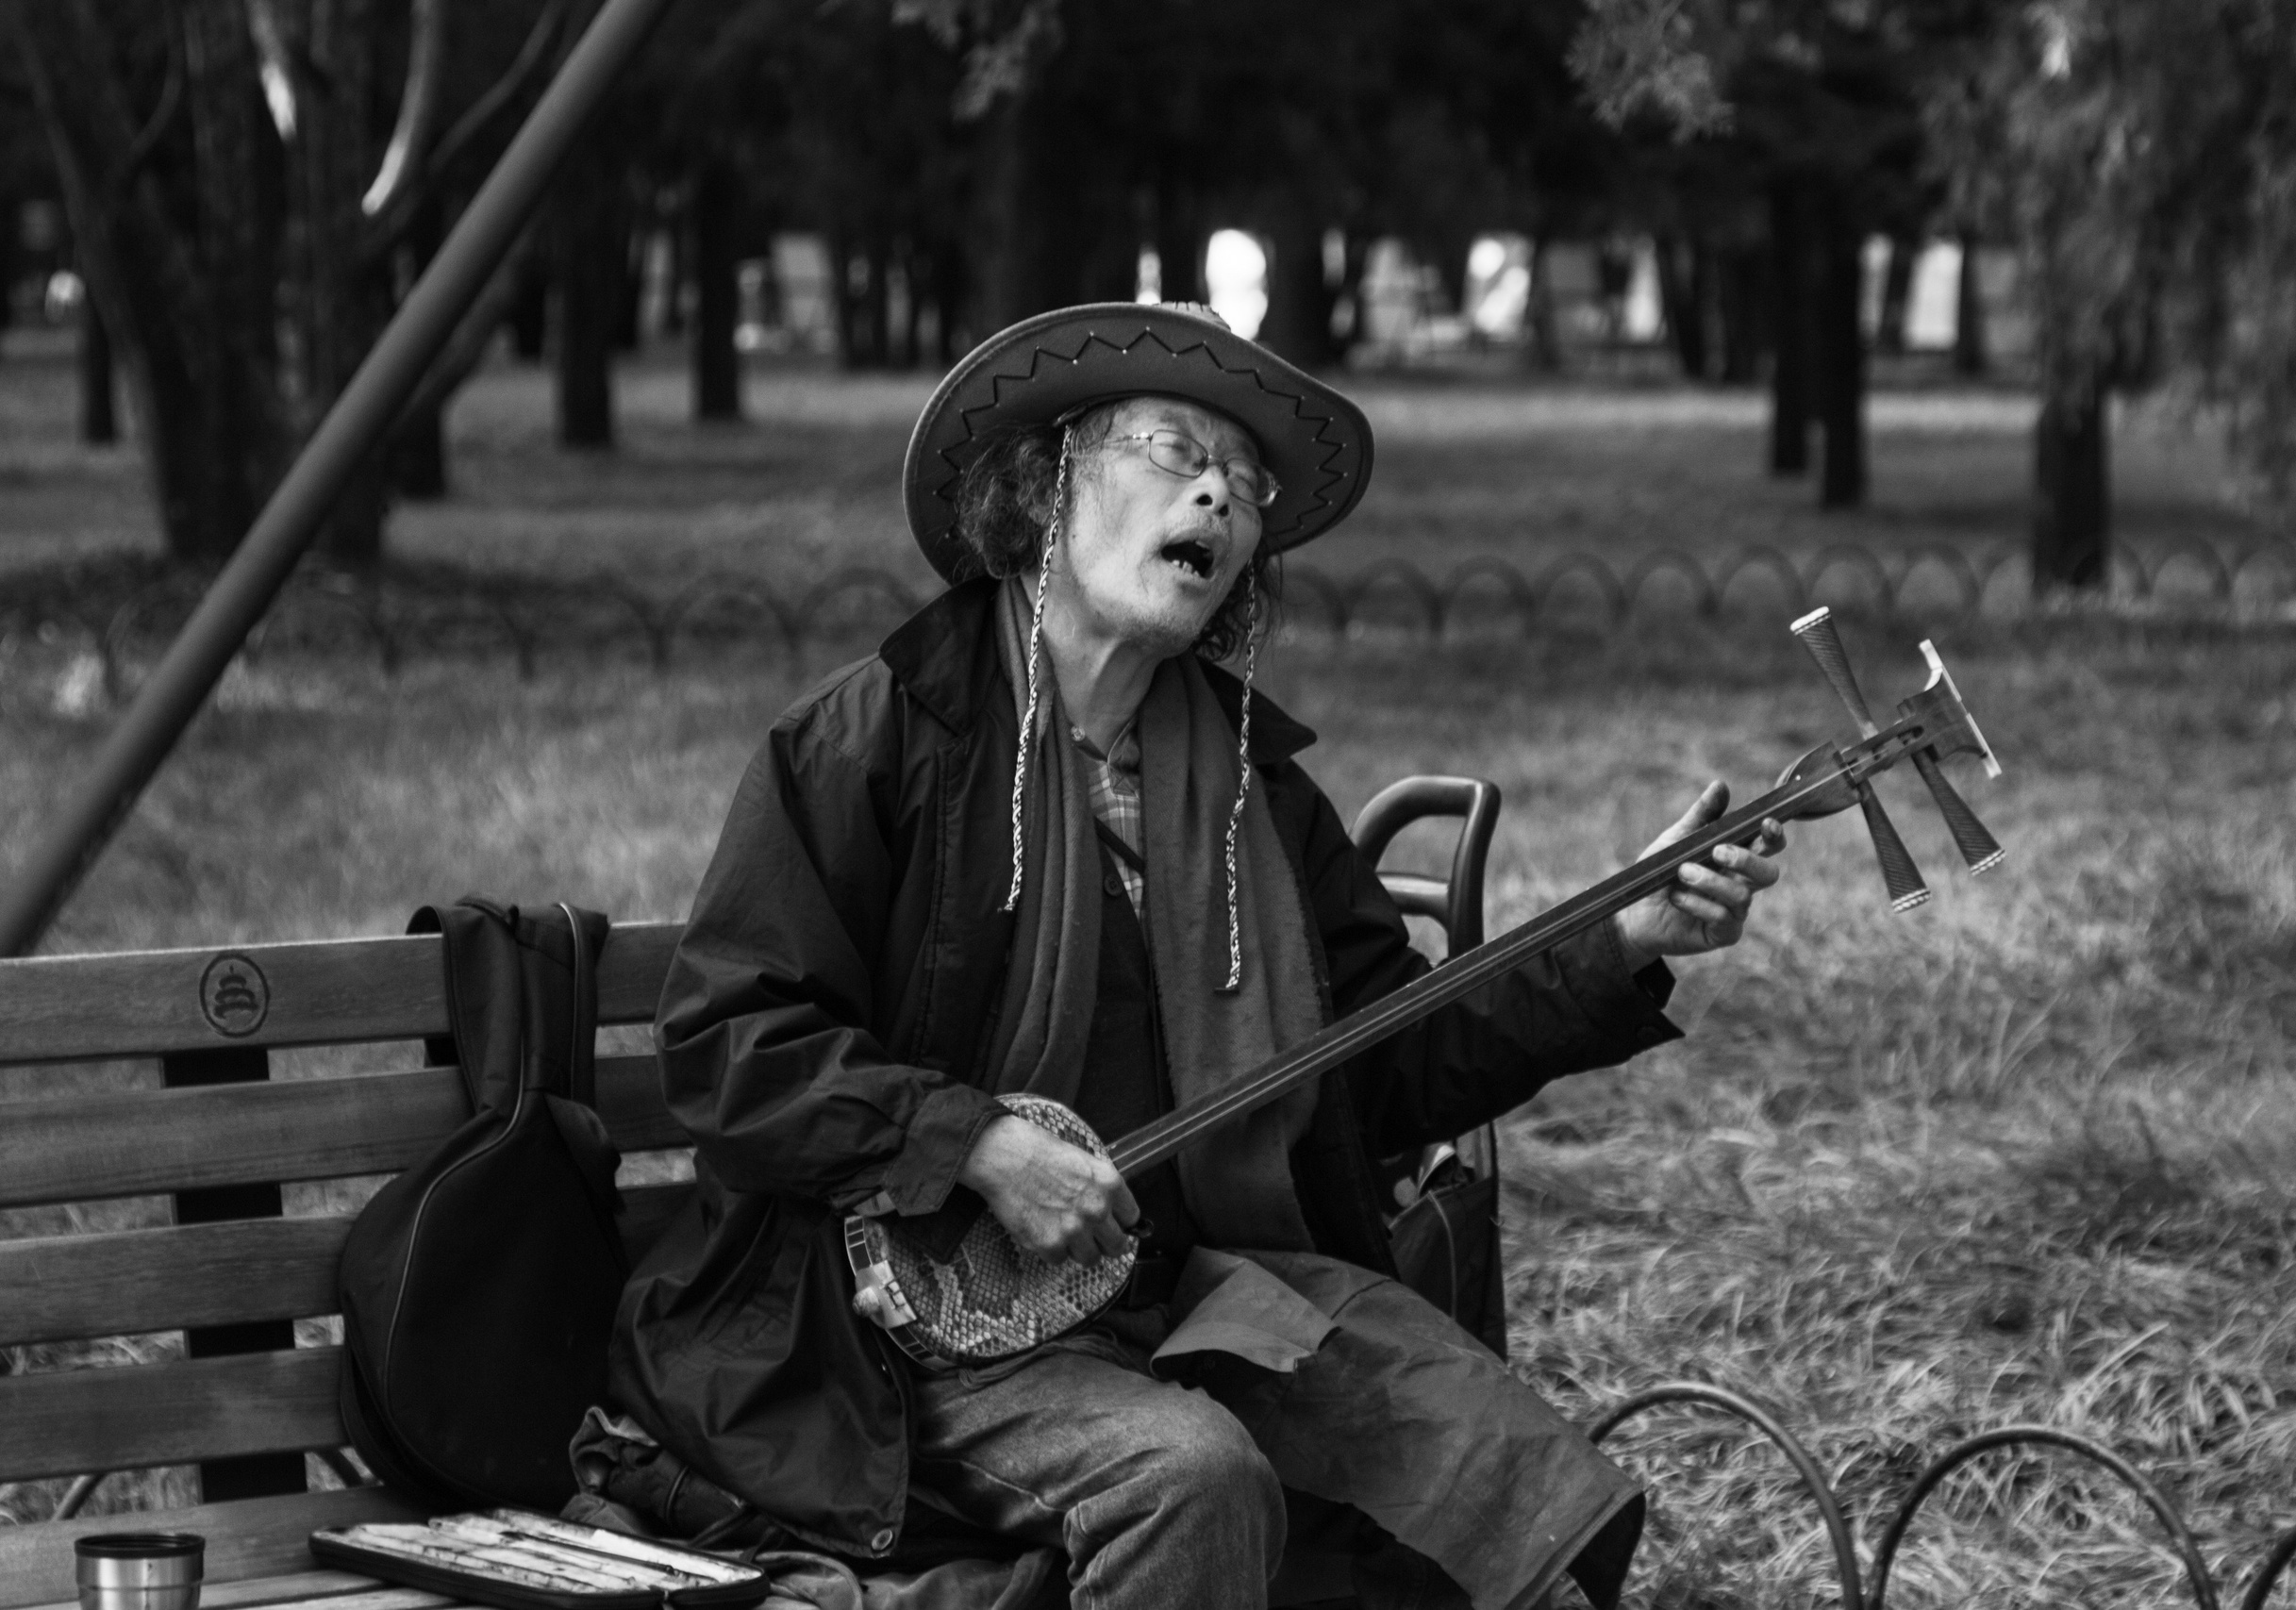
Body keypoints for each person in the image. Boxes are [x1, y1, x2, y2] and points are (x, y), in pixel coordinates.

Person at [606, 302, 1784, 1610]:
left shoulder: (1249, 800)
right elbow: (730, 1043)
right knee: (1192, 1479)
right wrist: (974, 1144)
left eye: (1246, 483)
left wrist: (1621, 943)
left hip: (1187, 1303)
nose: (1219, 495)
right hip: (894, 1338)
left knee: (1506, 1486)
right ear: (1046, 482)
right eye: (1173, 450)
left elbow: (1386, 1065)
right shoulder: (879, 739)